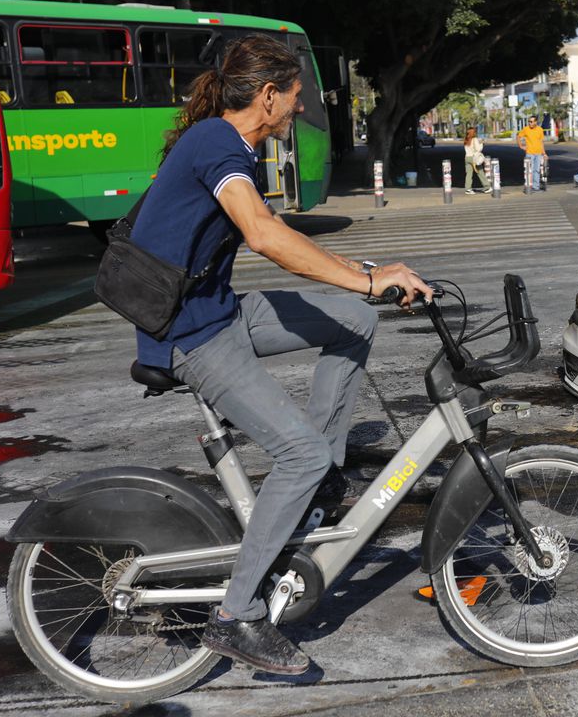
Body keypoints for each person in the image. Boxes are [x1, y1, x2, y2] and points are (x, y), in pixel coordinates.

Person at [131, 35, 431, 675]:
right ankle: (236, 616)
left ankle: (321, 478)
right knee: (299, 450)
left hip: (220, 312)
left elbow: (298, 248)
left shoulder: (228, 142)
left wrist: (372, 274)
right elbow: (265, 235)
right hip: (191, 335)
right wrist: (368, 278)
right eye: (295, 99)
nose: (298, 111)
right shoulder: (217, 143)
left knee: (352, 317)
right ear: (267, 96)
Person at [517, 115, 547, 190]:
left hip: (538, 153)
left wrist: (544, 153)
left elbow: (541, 142)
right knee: (530, 170)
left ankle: (536, 187)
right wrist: (521, 146)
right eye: (529, 121)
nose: (530, 123)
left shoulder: (540, 129)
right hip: (529, 153)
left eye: (531, 121)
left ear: (535, 122)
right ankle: (529, 185)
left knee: (537, 170)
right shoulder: (526, 129)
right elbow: (518, 136)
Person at [463, 126, 487, 193]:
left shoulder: (466, 140)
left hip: (467, 158)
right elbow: (478, 149)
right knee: (480, 172)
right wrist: (482, 143)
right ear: (473, 133)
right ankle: (487, 186)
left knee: (468, 174)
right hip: (474, 158)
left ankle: (468, 189)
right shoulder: (475, 139)